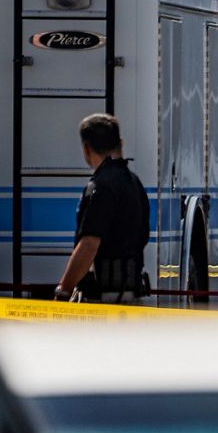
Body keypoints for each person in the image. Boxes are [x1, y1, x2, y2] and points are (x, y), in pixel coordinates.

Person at [54, 113, 150, 303]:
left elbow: (89, 244)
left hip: (106, 298)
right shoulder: (134, 182)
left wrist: (64, 290)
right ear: (120, 143)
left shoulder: (101, 186)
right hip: (133, 291)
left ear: (86, 148)